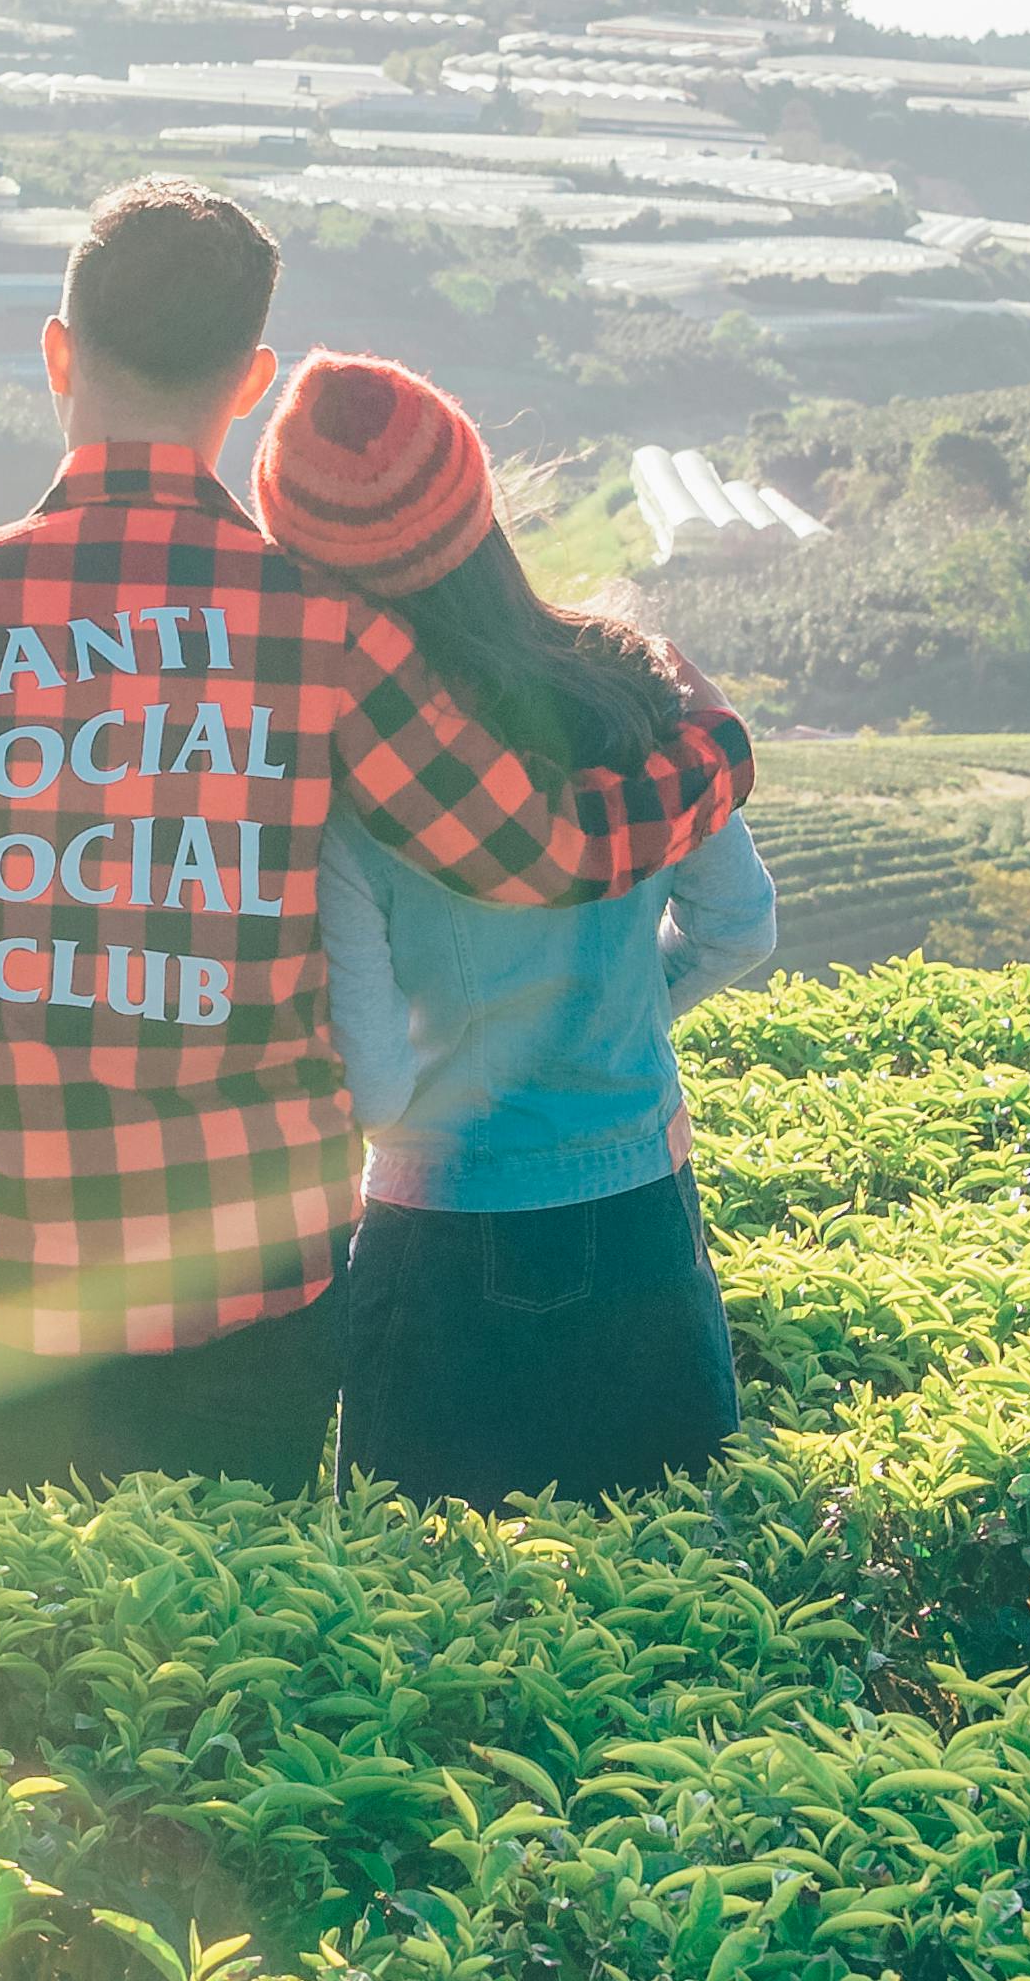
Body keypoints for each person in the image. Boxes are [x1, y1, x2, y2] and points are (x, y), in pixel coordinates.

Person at [0, 177, 757, 1499]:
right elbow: (540, 853)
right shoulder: (326, 630)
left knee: (29, 1653)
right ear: (248, 384)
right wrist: (713, 743)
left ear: (59, 352)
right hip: (261, 1273)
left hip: (17, 1264)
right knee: (240, 1645)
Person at [250, 348, 778, 1507]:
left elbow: (380, 1091)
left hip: (435, 1228)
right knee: (672, 1603)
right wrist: (627, 1009)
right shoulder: (631, 689)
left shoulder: (349, 779)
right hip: (640, 1204)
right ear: (478, 505)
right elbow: (739, 927)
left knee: (424, 1627)